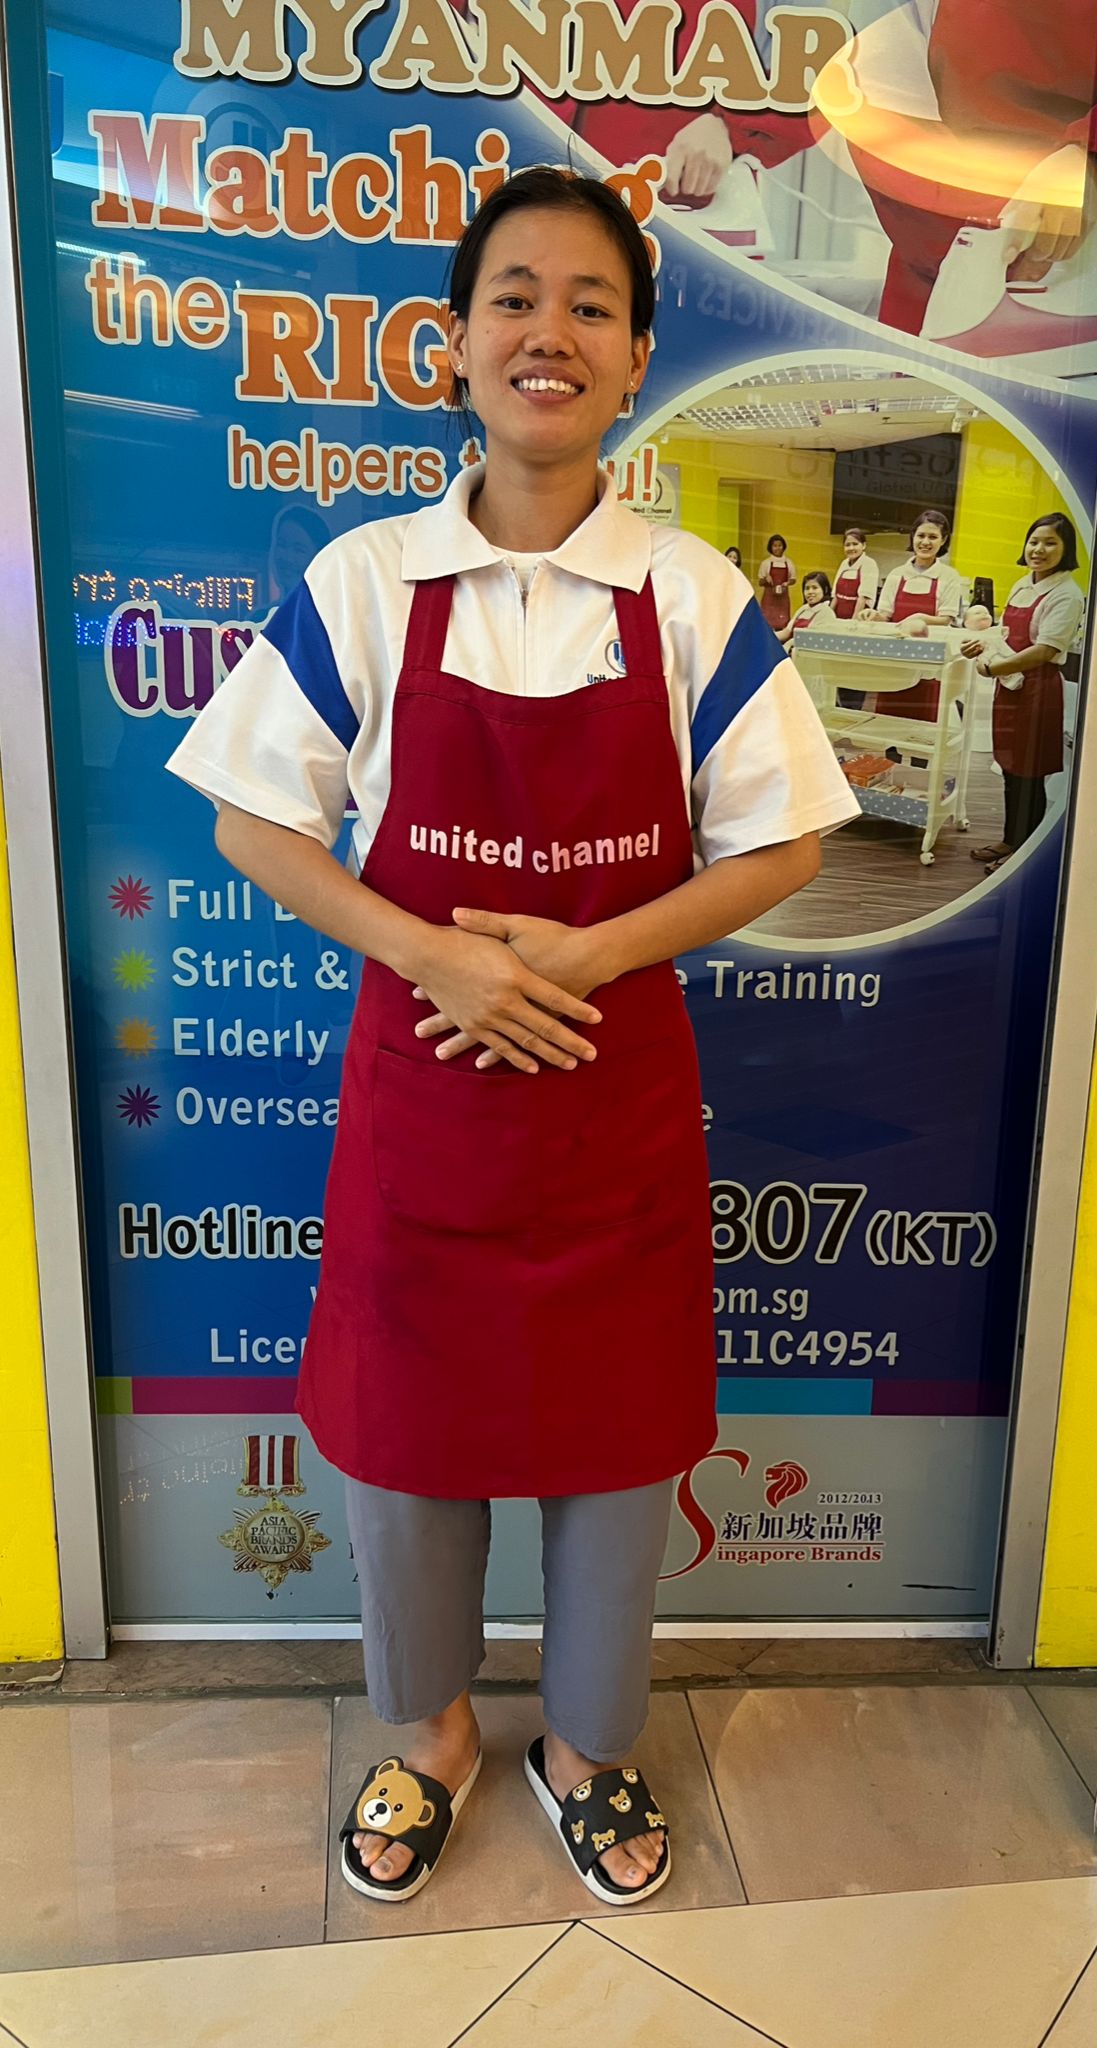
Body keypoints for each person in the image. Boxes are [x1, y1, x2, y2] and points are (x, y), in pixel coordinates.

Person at [166, 167, 858, 1911]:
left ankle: (588, 1746)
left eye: (591, 306)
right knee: (406, 1445)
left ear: (633, 358)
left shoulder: (689, 596)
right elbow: (252, 819)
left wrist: (591, 951)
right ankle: (428, 1738)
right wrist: (438, 960)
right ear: (457, 346)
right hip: (429, 1105)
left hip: (614, 1111)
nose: (550, 332)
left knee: (617, 1454)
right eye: (514, 299)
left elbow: (783, 841)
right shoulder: (369, 578)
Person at [962, 513, 1084, 870]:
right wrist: (980, 646)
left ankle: (1024, 855)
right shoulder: (1022, 584)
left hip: (1037, 691)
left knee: (1031, 775)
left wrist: (992, 668)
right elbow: (1004, 635)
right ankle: (1010, 839)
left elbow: (1044, 650)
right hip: (1010, 688)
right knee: (1011, 769)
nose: (1039, 549)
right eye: (1034, 541)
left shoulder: (1066, 594)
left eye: (1050, 543)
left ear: (1066, 549)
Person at [860, 508, 963, 723]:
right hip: (894, 662)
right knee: (888, 724)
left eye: (932, 537)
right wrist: (872, 615)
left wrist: (920, 618)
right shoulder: (897, 575)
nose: (925, 542)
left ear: (943, 540)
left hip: (929, 664)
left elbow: (946, 620)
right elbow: (885, 616)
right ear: (913, 537)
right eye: (921, 535)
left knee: (923, 728)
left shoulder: (949, 577)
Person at [778, 570, 838, 644]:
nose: (810, 592)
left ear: (825, 589)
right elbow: (786, 632)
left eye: (814, 588)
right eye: (807, 588)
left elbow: (813, 640)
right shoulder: (803, 609)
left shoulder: (827, 612)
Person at [833, 528, 879, 620]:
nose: (851, 548)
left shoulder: (869, 564)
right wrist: (829, 618)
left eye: (855, 544)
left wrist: (853, 622)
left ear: (864, 545)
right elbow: (835, 596)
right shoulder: (844, 563)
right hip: (838, 619)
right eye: (847, 545)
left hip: (858, 620)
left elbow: (863, 598)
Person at [758, 533, 797, 633]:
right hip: (769, 599)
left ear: (783, 547)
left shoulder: (789, 562)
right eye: (775, 546)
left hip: (783, 599)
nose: (777, 548)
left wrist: (787, 583)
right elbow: (760, 582)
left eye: (779, 545)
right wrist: (766, 579)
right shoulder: (766, 563)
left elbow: (793, 579)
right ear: (770, 547)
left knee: (782, 625)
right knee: (766, 625)